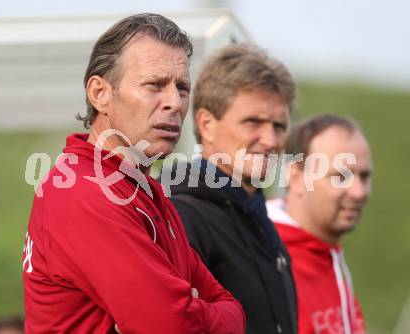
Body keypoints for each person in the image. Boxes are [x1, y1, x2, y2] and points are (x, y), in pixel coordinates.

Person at [22, 13, 245, 333]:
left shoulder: (143, 190)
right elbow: (173, 327)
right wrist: (201, 310)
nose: (174, 102)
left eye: (182, 88)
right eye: (154, 85)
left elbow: (231, 307)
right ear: (100, 94)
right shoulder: (82, 191)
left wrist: (200, 311)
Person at [165, 43, 297, 334]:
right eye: (254, 122)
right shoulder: (182, 218)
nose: (270, 139)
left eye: (279, 126)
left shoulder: (259, 219)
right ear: (207, 125)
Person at [266, 114, 371, 334]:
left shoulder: (328, 253)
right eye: (340, 176)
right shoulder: (266, 258)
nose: (359, 192)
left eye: (364, 176)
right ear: (296, 177)